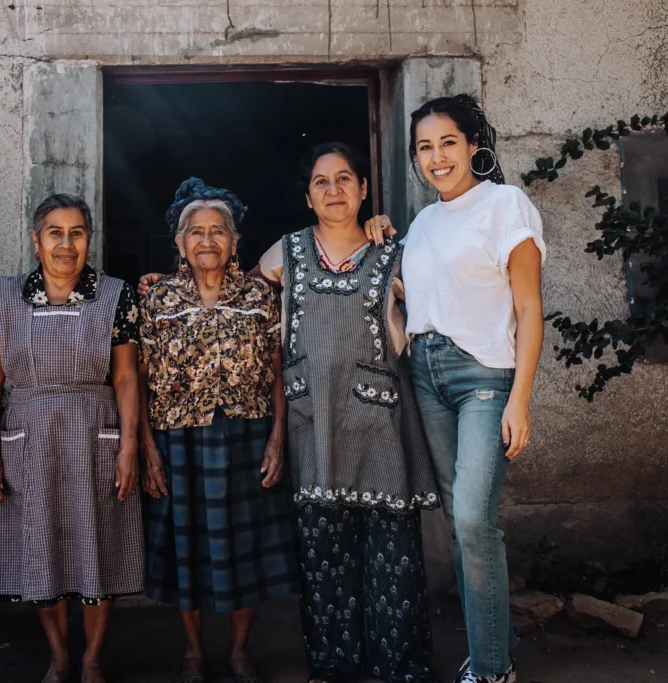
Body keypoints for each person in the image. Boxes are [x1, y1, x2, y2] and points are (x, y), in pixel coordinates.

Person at [140, 146, 441, 683]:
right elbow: (236, 296)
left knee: (391, 553)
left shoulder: (397, 252)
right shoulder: (288, 255)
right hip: (313, 425)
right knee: (323, 555)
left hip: (378, 426)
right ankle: (333, 666)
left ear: (364, 189)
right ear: (307, 197)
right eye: (321, 182)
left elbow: (434, 317)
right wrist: (159, 283)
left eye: (344, 179)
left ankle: (401, 669)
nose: (334, 191)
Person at [367, 95, 545, 683]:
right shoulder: (421, 223)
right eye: (425, 147)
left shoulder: (505, 204)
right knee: (458, 520)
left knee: (472, 518)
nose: (437, 157)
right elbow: (411, 297)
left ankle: (492, 669)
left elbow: (528, 305)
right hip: (427, 374)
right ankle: (496, 638)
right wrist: (378, 236)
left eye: (448, 142)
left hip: (484, 379)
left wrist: (520, 397)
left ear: (473, 144)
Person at [0, 193, 142, 683]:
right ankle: (59, 656)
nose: (66, 245)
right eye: (55, 233)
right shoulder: (4, 296)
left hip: (96, 434)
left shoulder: (115, 294)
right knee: (38, 544)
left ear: (90, 239)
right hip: (28, 437)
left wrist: (129, 445)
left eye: (77, 233)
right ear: (36, 239)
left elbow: (128, 378)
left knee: (98, 544)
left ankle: (92, 658)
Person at [138, 179, 298, 683]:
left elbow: (278, 367)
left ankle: (238, 650)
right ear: (179, 243)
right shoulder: (157, 299)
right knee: (188, 551)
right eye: (196, 232)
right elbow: (137, 380)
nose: (207, 240)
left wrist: (278, 437)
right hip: (177, 438)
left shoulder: (259, 296)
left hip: (246, 437)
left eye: (218, 231)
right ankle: (192, 652)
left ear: (235, 240)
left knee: (242, 553)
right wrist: (146, 448)